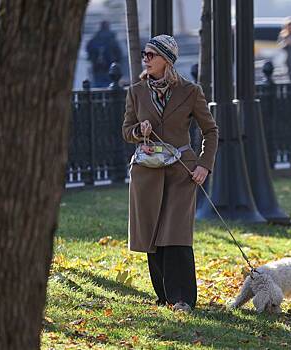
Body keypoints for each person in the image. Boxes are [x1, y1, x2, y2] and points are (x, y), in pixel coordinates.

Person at [122, 35, 218, 312]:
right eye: (145, 54)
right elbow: (126, 131)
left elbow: (210, 131)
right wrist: (139, 131)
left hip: (182, 172)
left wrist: (204, 164)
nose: (146, 59)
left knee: (175, 235)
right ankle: (164, 296)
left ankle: (183, 299)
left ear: (167, 60)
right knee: (152, 237)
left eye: (152, 54)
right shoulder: (136, 92)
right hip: (147, 173)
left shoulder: (190, 91)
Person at [86, 21, 123, 87]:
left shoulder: (95, 38)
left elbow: (89, 48)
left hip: (97, 68)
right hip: (110, 67)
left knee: (97, 86)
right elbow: (119, 53)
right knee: (110, 87)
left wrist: (93, 58)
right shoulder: (112, 38)